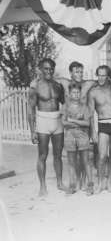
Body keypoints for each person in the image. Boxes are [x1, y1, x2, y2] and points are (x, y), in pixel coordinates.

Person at [27, 58, 67, 196]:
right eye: (46, 68)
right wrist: (33, 131)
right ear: (40, 69)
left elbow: (65, 102)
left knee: (58, 155)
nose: (49, 71)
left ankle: (60, 183)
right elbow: (30, 110)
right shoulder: (35, 86)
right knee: (42, 155)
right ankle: (42, 187)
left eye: (51, 69)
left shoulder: (58, 85)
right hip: (43, 121)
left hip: (57, 122)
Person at [88, 65, 111, 193]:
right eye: (99, 75)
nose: (101, 78)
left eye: (104, 75)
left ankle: (109, 182)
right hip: (102, 124)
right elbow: (91, 115)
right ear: (97, 75)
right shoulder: (93, 91)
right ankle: (100, 183)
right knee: (102, 156)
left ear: (108, 76)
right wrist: (93, 132)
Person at [61, 83, 94, 195]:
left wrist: (73, 121)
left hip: (82, 134)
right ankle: (72, 185)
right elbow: (64, 122)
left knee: (86, 160)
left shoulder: (84, 107)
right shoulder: (65, 106)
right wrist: (78, 123)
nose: (76, 95)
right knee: (71, 162)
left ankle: (90, 185)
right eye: (73, 93)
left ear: (81, 94)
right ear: (69, 94)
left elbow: (87, 123)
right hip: (69, 134)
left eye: (78, 93)